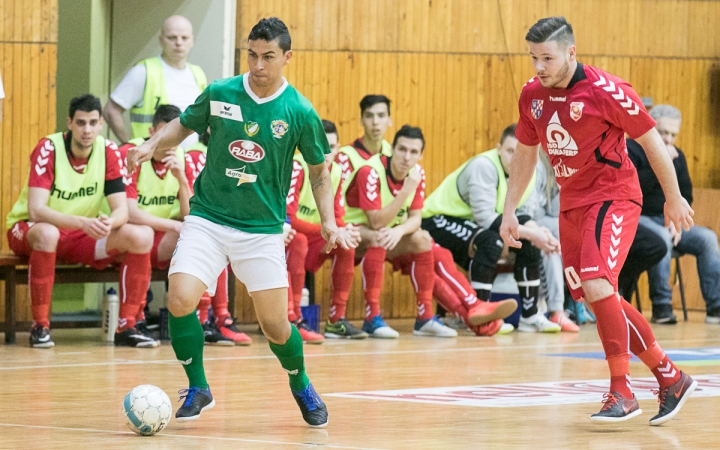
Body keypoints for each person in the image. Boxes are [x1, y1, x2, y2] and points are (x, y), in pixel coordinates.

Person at [127, 18, 353, 427]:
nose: (259, 65)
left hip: (261, 231)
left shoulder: (299, 111)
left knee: (275, 326)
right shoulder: (220, 92)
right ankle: (198, 387)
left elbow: (319, 172)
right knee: (179, 298)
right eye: (252, 55)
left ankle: (300, 382)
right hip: (208, 219)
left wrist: (329, 222)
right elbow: (184, 125)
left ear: (287, 57)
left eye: (268, 57)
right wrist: (150, 144)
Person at [500, 16, 696, 425]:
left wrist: (674, 197)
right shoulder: (532, 94)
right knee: (597, 297)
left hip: (613, 196)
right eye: (533, 57)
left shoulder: (607, 90)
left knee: (596, 281)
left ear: (571, 52)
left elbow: (651, 140)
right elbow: (525, 153)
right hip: (571, 204)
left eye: (547, 58)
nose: (538, 67)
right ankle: (669, 377)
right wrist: (509, 210)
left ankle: (621, 391)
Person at [5, 94, 157, 348]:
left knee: (141, 236)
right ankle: (40, 326)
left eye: (92, 123)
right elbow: (36, 210)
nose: (87, 130)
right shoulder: (49, 148)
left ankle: (127, 326)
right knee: (47, 233)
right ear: (69, 123)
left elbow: (122, 210)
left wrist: (109, 223)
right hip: (29, 231)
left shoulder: (108, 151)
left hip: (80, 235)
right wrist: (81, 222)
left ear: (100, 125)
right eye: (81, 123)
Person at [120, 106, 251, 346]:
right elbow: (130, 213)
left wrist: (181, 179)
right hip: (126, 233)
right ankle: (132, 320)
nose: (170, 143)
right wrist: (173, 225)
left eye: (174, 138)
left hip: (161, 237)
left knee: (212, 238)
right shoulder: (131, 152)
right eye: (164, 135)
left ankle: (206, 320)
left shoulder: (181, 158)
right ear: (152, 132)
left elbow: (189, 212)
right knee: (145, 235)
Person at [422, 124, 560, 333]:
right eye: (509, 151)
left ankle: (530, 316)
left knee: (529, 243)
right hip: (438, 220)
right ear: (498, 149)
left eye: (519, 152)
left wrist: (540, 234)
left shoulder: (530, 171)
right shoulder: (484, 166)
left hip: (474, 223)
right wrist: (533, 233)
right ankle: (481, 315)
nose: (514, 157)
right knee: (490, 242)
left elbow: (522, 215)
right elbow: (486, 218)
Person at [627, 104, 720, 324]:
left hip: (669, 221)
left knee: (707, 238)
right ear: (650, 128)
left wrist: (676, 221)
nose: (668, 139)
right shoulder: (631, 148)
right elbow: (633, 189)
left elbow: (686, 193)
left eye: (673, 134)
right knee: (661, 239)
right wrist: (659, 161)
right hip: (639, 219)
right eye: (663, 132)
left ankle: (716, 307)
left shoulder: (678, 155)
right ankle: (662, 306)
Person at [286, 120, 366, 340]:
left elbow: (338, 215)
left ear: (338, 148)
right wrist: (330, 230)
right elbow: (289, 219)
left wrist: (344, 230)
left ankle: (335, 321)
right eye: (320, 145)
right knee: (298, 241)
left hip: (316, 236)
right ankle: (293, 318)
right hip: (290, 236)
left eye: (330, 147)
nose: (325, 152)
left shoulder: (337, 171)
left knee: (346, 246)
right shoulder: (297, 166)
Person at [104, 15, 207, 149]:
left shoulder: (198, 74)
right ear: (161, 40)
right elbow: (110, 111)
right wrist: (129, 145)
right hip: (151, 161)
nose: (179, 43)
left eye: (184, 38)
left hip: (188, 162)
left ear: (192, 41)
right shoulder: (143, 72)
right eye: (172, 37)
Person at [533, 151, 580, 332]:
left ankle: (563, 308)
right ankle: (558, 310)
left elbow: (556, 211)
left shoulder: (561, 164)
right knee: (554, 244)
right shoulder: (537, 164)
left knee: (556, 245)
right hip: (525, 222)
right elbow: (534, 214)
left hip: (545, 223)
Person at [335, 95, 393, 181]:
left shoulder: (393, 154)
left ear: (389, 120)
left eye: (381, 115)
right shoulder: (345, 157)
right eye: (369, 116)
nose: (375, 122)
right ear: (361, 120)